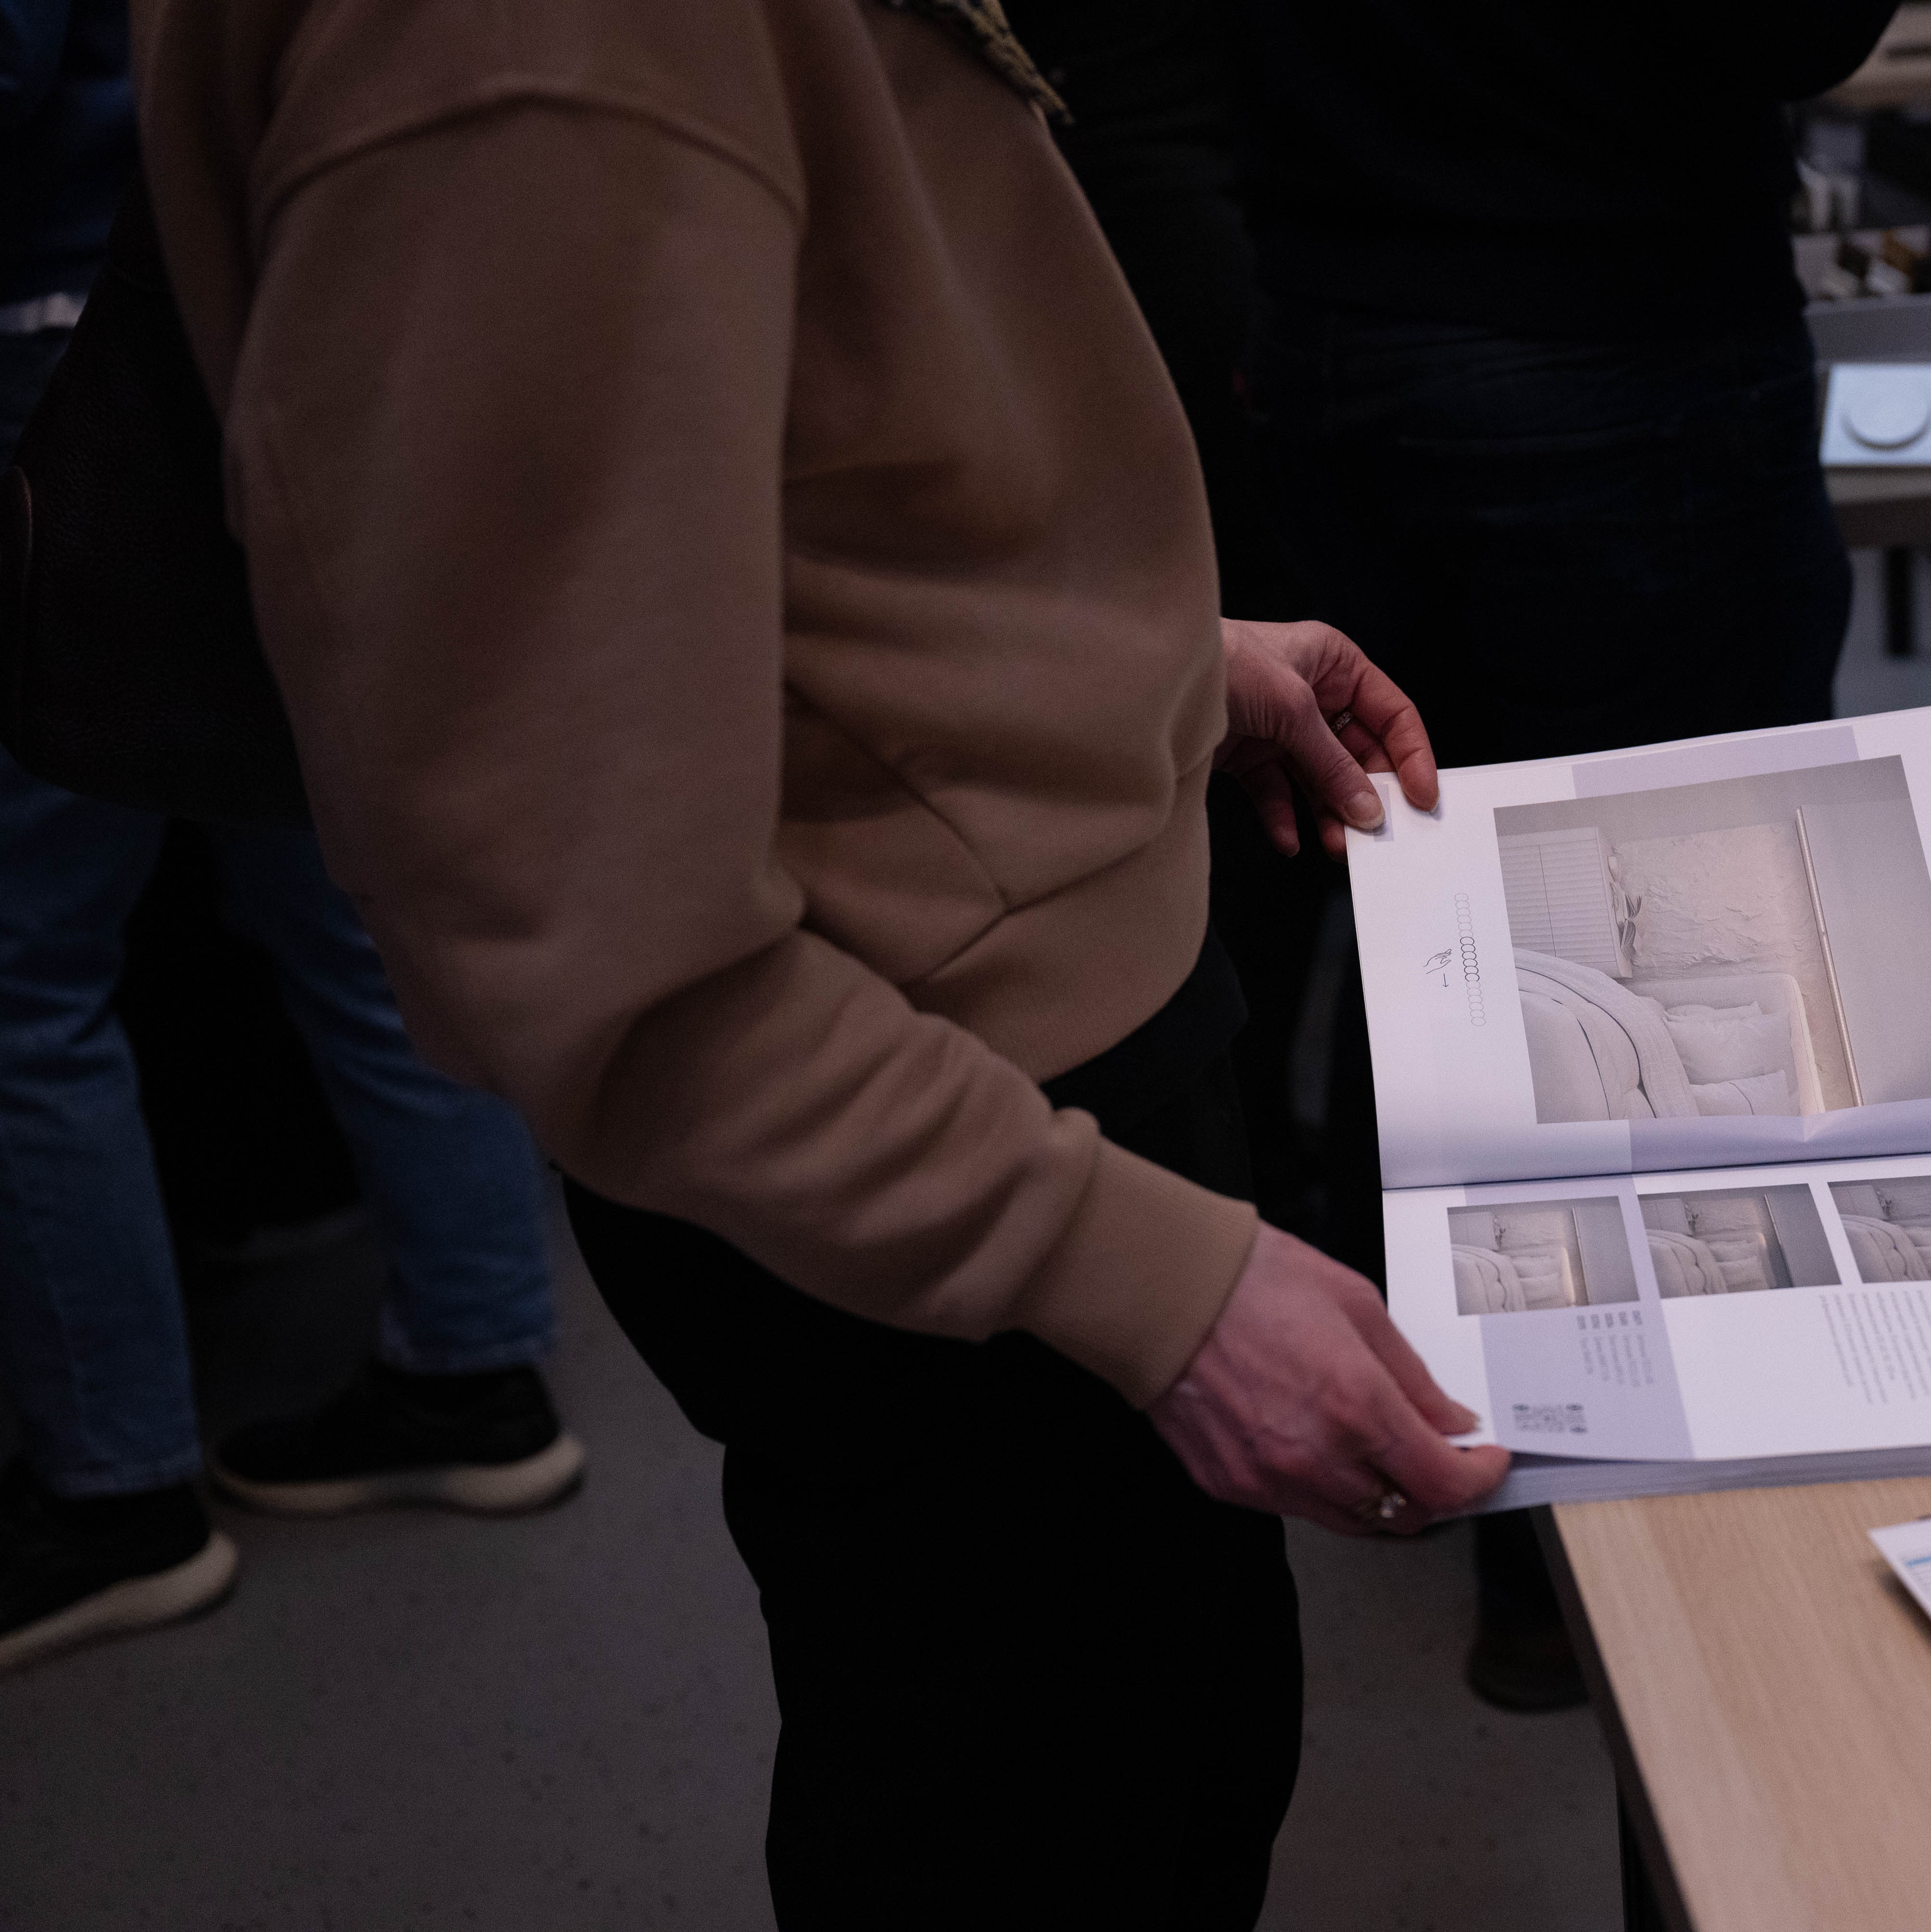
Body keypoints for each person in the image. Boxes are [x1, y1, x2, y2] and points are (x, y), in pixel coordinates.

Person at [128, 0, 1509, 1921]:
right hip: (928, 1141)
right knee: (1036, 1829)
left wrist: (1137, 667)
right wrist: (1128, 1274)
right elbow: (582, 919)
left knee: (1164, 1768)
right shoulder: (525, 39)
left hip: (1001, 1066)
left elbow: (776, 460)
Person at [1232, 0, 1897, 1713]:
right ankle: (1610, 1532)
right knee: (1678, 934)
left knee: (1421, 894)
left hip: (1315, 312)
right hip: (1609, 307)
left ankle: (1436, 1431)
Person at [0, 0, 578, 1681]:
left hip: (59, 340)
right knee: (343, 877)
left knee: (23, 968)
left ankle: (118, 1487)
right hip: (254, 302)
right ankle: (478, 1354)